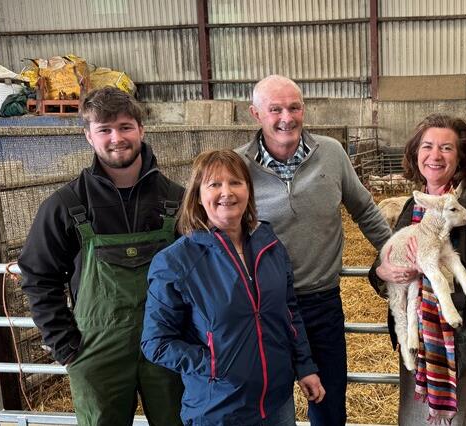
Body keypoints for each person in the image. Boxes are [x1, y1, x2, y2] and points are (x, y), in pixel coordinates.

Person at [18, 87, 184, 425]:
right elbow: (38, 276)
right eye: (104, 129)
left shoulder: (177, 200)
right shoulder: (65, 205)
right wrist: (66, 347)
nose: (116, 138)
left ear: (141, 129)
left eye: (125, 127)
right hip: (96, 353)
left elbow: (201, 272)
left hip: (169, 349)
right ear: (88, 136)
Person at [236, 74, 392, 425]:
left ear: (304, 110)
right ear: (255, 113)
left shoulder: (331, 153)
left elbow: (365, 209)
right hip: (261, 305)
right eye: (274, 109)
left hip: (321, 300)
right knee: (266, 401)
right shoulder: (237, 164)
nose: (286, 117)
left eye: (294, 107)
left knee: (327, 397)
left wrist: (394, 252)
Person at [141, 149, 324, 425]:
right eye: (214, 184)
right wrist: (213, 363)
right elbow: (155, 342)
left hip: (277, 402)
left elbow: (289, 313)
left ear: (249, 190)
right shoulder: (176, 262)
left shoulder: (270, 247)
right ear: (198, 197)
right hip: (220, 408)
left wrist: (305, 367)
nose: (227, 192)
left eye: (236, 182)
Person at [369, 113, 466, 425]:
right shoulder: (414, 207)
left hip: (461, 346)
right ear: (415, 153)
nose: (435, 156)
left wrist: (440, 280)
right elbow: (383, 269)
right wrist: (385, 274)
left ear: (461, 156)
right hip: (418, 342)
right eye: (427, 146)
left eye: (446, 148)